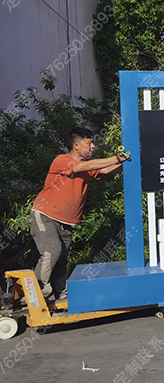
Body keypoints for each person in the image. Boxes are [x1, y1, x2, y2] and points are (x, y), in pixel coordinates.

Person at [30, 127, 126, 301]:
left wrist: (127, 162)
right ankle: (37, 291)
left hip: (66, 222)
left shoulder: (85, 166)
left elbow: (105, 170)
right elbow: (87, 166)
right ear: (76, 145)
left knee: (61, 259)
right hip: (45, 215)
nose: (93, 147)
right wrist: (116, 158)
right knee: (52, 251)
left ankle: (59, 292)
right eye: (89, 143)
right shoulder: (63, 160)